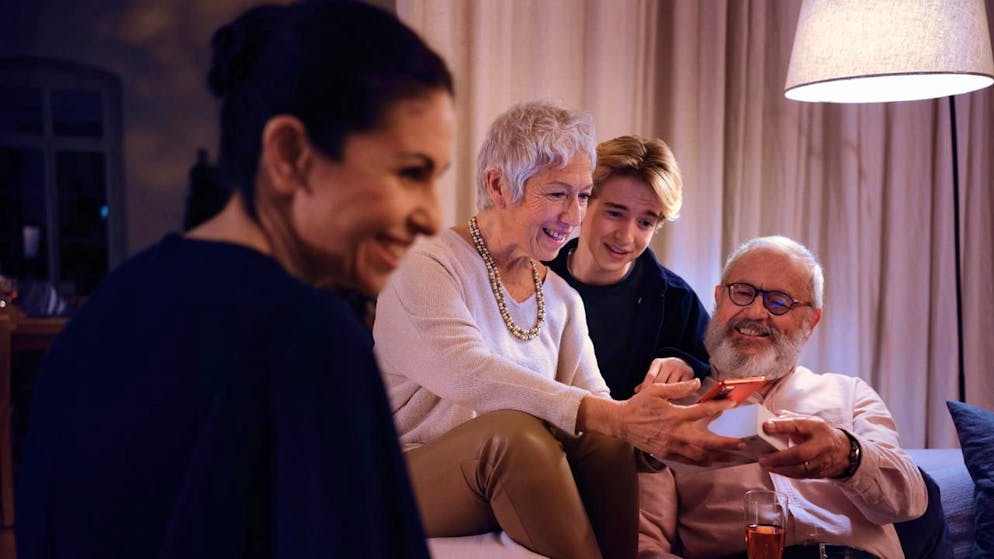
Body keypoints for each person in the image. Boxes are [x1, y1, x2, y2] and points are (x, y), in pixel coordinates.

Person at [16, 3, 454, 557]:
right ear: (290, 154)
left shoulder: (104, 311)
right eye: (410, 173)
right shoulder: (306, 336)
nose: (433, 216)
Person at [373, 100, 744, 559]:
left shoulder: (563, 299)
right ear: (498, 185)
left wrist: (655, 430)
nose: (574, 216)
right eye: (557, 194)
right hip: (401, 475)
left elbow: (600, 408)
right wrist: (613, 417)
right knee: (515, 437)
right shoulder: (426, 265)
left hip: (507, 481)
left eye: (584, 195)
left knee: (605, 441)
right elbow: (469, 373)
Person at [638, 236, 928, 559]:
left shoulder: (850, 394)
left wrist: (845, 456)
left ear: (811, 321)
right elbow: (646, 545)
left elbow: (910, 500)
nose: (756, 312)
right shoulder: (678, 410)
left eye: (779, 302)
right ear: (719, 300)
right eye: (743, 293)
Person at [546, 135, 709, 400]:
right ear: (583, 202)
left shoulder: (677, 300)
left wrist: (687, 365)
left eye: (645, 222)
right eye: (615, 213)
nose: (626, 236)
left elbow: (711, 362)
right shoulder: (530, 274)